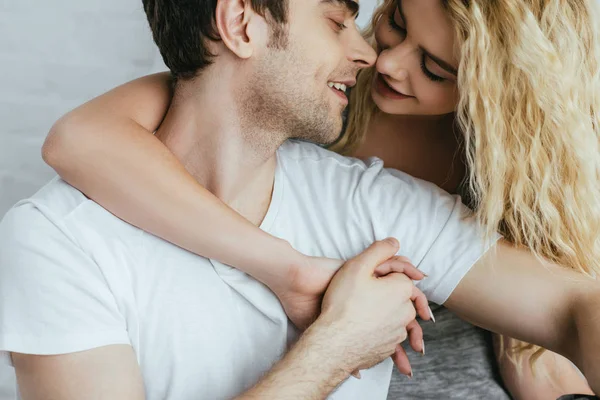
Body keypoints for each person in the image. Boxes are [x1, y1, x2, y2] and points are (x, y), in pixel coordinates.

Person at [5, 0, 600, 398]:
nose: (378, 58)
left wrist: (541, 355)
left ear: (495, 91)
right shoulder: (60, 240)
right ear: (241, 24)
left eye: (437, 67)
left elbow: (576, 303)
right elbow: (80, 140)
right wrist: (325, 327)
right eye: (383, 22)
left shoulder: (379, 203)